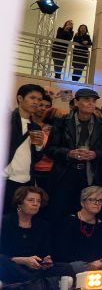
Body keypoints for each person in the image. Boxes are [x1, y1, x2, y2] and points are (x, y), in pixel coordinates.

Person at [43, 88, 102, 225]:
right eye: (87, 100)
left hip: (92, 176)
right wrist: (68, 153)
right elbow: (50, 149)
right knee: (59, 216)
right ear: (76, 102)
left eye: (93, 100)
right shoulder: (62, 121)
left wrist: (96, 154)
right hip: (65, 175)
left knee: (88, 218)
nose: (91, 103)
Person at [52, 186, 102, 286]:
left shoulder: (100, 225)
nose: (97, 203)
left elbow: (99, 251)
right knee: (76, 266)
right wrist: (89, 264)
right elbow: (60, 253)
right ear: (82, 202)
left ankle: (98, 273)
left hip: (94, 265)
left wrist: (98, 263)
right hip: (74, 264)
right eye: (92, 200)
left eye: (100, 200)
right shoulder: (70, 221)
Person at [0, 187, 75, 290]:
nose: (35, 204)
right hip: (12, 267)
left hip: (33, 270)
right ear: (19, 202)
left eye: (38, 201)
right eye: (30, 200)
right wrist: (22, 260)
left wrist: (45, 261)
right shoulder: (4, 222)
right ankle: (34, 282)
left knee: (66, 267)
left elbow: (45, 251)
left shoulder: (43, 225)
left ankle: (29, 283)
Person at [4, 84, 44, 214]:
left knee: (17, 218)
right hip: (5, 178)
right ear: (20, 98)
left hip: (25, 180)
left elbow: (36, 158)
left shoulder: (36, 127)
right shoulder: (6, 119)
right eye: (32, 97)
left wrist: (39, 145)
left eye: (39, 99)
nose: (36, 102)